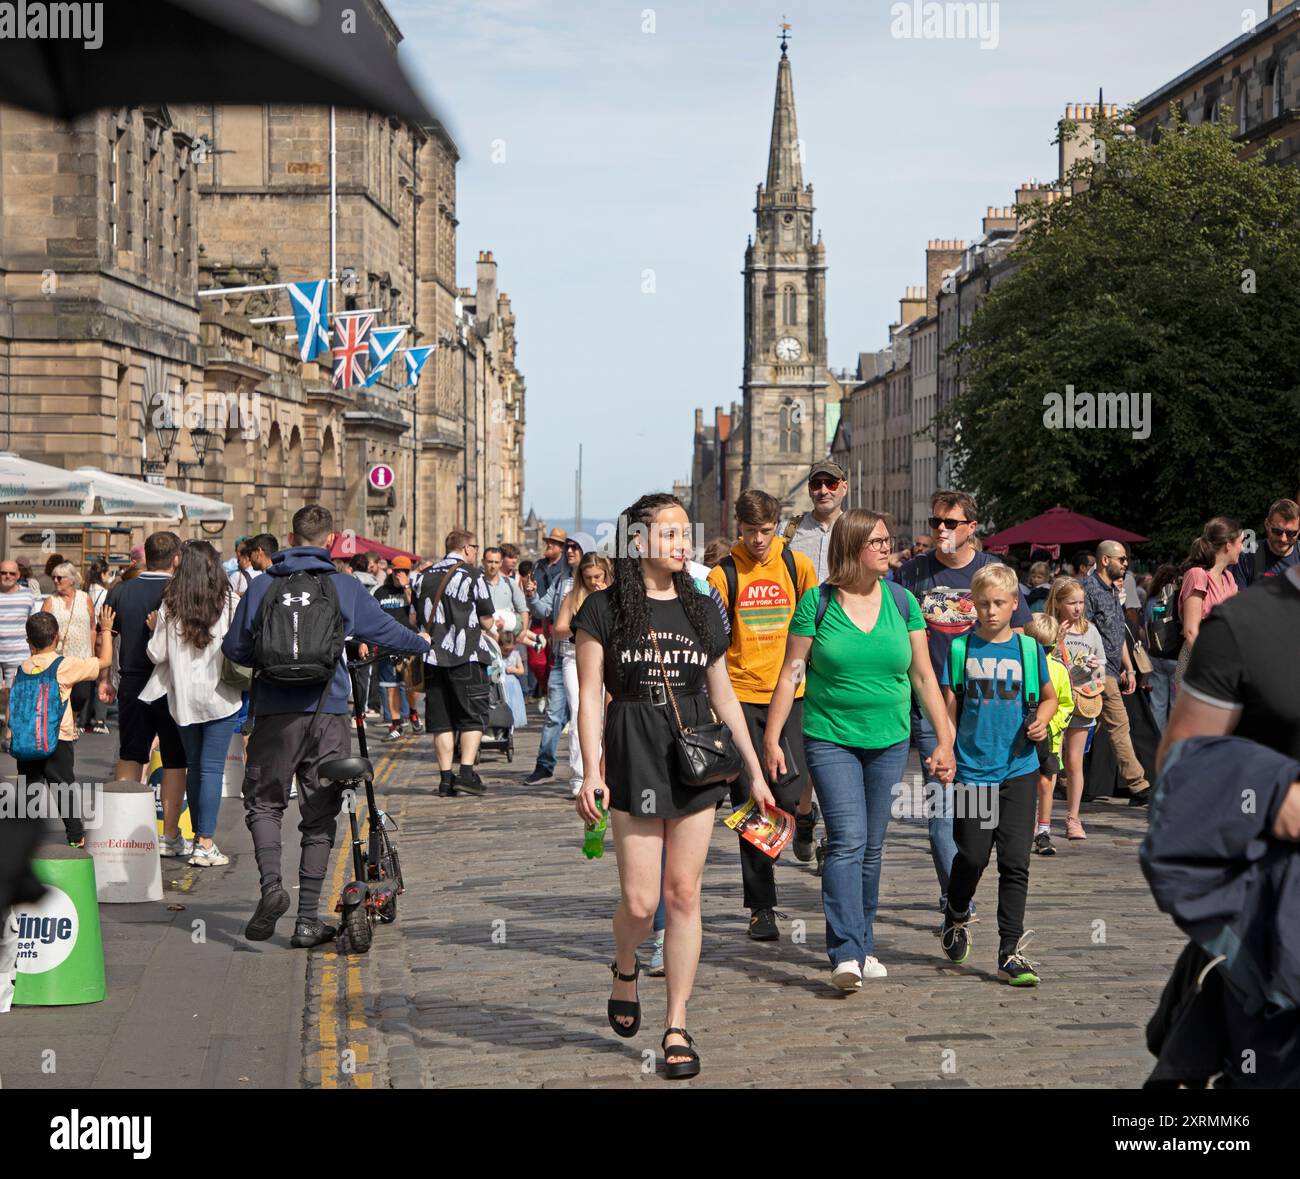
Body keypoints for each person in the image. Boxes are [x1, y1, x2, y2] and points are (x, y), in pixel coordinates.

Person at [574, 492, 770, 1080]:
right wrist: (590, 769)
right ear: (637, 541)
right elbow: (588, 696)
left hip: (696, 755)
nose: (681, 544)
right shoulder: (603, 609)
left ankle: (677, 1023)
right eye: (668, 534)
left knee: (684, 894)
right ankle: (626, 962)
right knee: (641, 901)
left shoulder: (704, 608)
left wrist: (755, 772)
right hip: (633, 748)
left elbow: (723, 693)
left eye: (686, 533)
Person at [224, 505, 430, 947]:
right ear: (331, 539)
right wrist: (421, 644)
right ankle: (307, 920)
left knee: (264, 803)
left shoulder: (262, 586)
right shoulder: (344, 586)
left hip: (274, 714)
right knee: (320, 814)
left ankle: (271, 887)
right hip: (328, 711)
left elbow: (235, 648)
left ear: (291, 537)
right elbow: (387, 633)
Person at [764, 508, 952, 988]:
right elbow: (791, 673)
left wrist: (946, 737)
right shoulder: (817, 603)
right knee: (847, 841)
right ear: (852, 548)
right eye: (879, 542)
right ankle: (845, 951)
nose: (888, 548)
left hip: (890, 739)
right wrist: (772, 737)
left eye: (889, 540)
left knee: (872, 847)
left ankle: (862, 943)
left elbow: (924, 676)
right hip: (830, 737)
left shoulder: (904, 601)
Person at [895, 489, 1030, 913]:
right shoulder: (912, 574)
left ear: (972, 527)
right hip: (932, 707)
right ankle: (956, 903)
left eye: (950, 523)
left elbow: (1022, 638)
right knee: (941, 815)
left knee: (981, 824)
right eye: (935, 522)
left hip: (987, 711)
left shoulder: (994, 573)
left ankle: (961, 893)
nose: (940, 530)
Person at [938, 563, 1057, 986]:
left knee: (1014, 861)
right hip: (972, 771)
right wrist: (944, 748)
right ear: (973, 603)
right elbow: (949, 710)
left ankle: (1010, 950)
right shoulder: (960, 650)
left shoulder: (1029, 651)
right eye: (984, 603)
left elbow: (1049, 697)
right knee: (971, 855)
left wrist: (1043, 719)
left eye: (1000, 604)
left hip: (1019, 769)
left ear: (1013, 605)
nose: (991, 611)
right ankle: (956, 911)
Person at [707, 489, 818, 938]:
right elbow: (714, 640)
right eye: (750, 531)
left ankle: (804, 820)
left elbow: (816, 623)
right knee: (754, 802)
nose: (758, 540)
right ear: (739, 527)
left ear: (777, 526)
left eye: (766, 531)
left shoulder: (797, 566)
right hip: (742, 697)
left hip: (792, 693)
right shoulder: (722, 574)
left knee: (788, 796)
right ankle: (761, 907)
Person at [140, 541, 242, 867]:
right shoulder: (229, 602)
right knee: (211, 768)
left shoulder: (171, 604)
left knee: (196, 767)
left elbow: (156, 654)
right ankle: (205, 843)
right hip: (221, 696)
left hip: (183, 699)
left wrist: (155, 629)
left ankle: (200, 838)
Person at [101, 531, 189, 853]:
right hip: (171, 682)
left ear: (144, 556)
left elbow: (107, 634)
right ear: (176, 558)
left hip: (133, 681)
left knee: (131, 754)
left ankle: (123, 831)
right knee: (174, 758)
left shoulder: (121, 591)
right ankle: (170, 836)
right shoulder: (180, 590)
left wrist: (103, 679)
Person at [11, 607, 115, 848]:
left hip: (27, 740)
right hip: (57, 737)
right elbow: (105, 661)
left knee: (30, 788)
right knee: (63, 786)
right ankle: (75, 835)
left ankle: (25, 838)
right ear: (56, 637)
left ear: (29, 640)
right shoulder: (63, 665)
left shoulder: (23, 667)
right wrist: (107, 629)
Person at [416, 530, 497, 798]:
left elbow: (415, 618)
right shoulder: (473, 575)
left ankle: (444, 779)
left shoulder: (423, 577)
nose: (475, 552)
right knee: (472, 716)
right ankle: (465, 773)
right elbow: (486, 619)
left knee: (441, 721)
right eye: (475, 547)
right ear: (465, 548)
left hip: (433, 658)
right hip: (467, 655)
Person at [1083, 540, 1150, 806]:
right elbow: (1084, 629)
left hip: (1112, 668)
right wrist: (1096, 667)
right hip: (1096, 670)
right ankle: (1139, 785)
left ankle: (1064, 776)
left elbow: (1118, 632)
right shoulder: (1088, 589)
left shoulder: (1112, 590)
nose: (1125, 564)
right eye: (1121, 559)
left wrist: (1129, 668)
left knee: (1086, 727)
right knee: (1119, 724)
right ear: (1104, 560)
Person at [1048, 576, 1107, 840]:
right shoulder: (1048, 627)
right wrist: (1054, 639)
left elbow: (1102, 663)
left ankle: (1073, 818)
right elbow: (1041, 661)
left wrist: (1096, 667)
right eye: (1072, 602)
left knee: (1074, 762)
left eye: (1081, 602)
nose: (1077, 608)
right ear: (1058, 603)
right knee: (1050, 762)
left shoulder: (1089, 630)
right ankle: (1043, 820)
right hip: (1055, 702)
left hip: (1083, 700)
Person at [522, 538, 584, 786]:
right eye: (567, 547)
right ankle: (544, 766)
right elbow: (543, 609)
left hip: (591, 658)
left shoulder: (597, 582)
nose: (569, 551)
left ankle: (592, 769)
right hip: (562, 656)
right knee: (553, 714)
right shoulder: (561, 582)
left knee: (587, 716)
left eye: (574, 547)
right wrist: (532, 595)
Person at [553, 552, 614, 797]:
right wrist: (582, 624)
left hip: (607, 659)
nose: (593, 581)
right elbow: (558, 630)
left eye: (597, 576)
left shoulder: (613, 596)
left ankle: (604, 771)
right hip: (574, 657)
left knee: (605, 715)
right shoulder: (574, 596)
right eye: (588, 577)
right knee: (580, 711)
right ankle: (581, 775)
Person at [1023, 613, 1074, 856]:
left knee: (1046, 784)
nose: (1044, 654)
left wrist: (1052, 725)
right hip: (1020, 736)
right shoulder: (1021, 665)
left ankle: (1043, 830)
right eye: (1038, 648)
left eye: (1049, 648)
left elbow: (1066, 703)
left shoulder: (1058, 669)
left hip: (1049, 738)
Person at [1174, 517, 1242, 690]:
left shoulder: (1229, 578)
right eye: (1240, 542)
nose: (1242, 548)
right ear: (1228, 545)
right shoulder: (1197, 575)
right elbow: (1191, 632)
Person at [41, 562, 97, 731]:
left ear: (72, 580)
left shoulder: (84, 598)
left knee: (81, 696)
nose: (56, 581)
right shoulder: (51, 601)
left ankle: (72, 718)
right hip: (58, 660)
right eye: (54, 578)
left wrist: (93, 654)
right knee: (59, 697)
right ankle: (65, 727)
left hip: (82, 657)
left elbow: (93, 627)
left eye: (60, 578)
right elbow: (41, 629)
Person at [372, 556, 423, 740]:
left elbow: (417, 615)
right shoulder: (380, 592)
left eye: (405, 571)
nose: (400, 575)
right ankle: (396, 724)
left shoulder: (414, 590)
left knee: (411, 686)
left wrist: (407, 587)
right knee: (391, 687)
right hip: (388, 646)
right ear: (391, 571)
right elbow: (372, 618)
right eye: (397, 571)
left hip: (409, 644)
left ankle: (413, 712)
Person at [0, 559, 37, 752]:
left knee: (13, 695)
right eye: (3, 573)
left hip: (17, 653)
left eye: (11, 574)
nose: (7, 576)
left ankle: (8, 735)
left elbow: (34, 624)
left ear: (18, 576)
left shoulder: (27, 596)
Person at [1142, 563, 1183, 730]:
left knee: (1157, 703)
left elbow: (1148, 627)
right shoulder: (1180, 598)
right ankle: (1172, 743)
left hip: (1155, 655)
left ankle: (1157, 741)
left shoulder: (1152, 600)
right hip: (1176, 656)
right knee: (1175, 703)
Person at [1231, 497, 1300, 589]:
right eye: (1277, 531)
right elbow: (1238, 600)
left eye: (1291, 533)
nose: (1283, 539)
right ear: (1267, 524)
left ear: (1299, 531)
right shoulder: (1248, 557)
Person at [78, 561, 111, 734]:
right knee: (102, 678)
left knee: (87, 679)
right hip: (100, 636)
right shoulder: (106, 593)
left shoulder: (84, 592)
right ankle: (99, 720)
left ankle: (82, 720)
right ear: (103, 574)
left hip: (85, 638)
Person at [483, 546, 528, 640]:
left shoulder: (510, 583)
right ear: (483, 562)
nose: (493, 566)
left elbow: (523, 609)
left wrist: (523, 632)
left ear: (501, 563)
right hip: (484, 640)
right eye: (490, 562)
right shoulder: (476, 584)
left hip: (507, 642)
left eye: (496, 562)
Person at [532, 527, 569, 599]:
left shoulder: (566, 567)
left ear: (562, 548)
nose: (549, 545)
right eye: (549, 542)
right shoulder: (538, 565)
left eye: (554, 543)